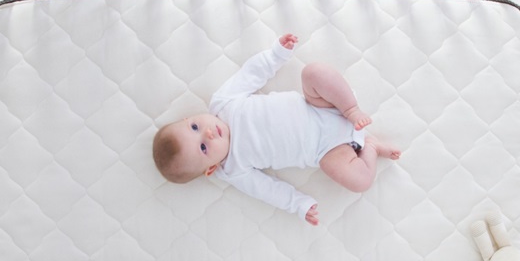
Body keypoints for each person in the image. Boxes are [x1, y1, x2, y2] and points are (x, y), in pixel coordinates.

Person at [153, 34, 400, 226]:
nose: (207, 133)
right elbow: (268, 190)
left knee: (314, 72)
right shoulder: (233, 169)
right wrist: (298, 204)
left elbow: (250, 75)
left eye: (195, 126)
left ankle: (352, 109)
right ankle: (370, 147)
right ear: (211, 168)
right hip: (326, 151)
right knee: (359, 181)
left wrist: (276, 54)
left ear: (189, 117)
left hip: (322, 106)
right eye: (203, 147)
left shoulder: (223, 103)